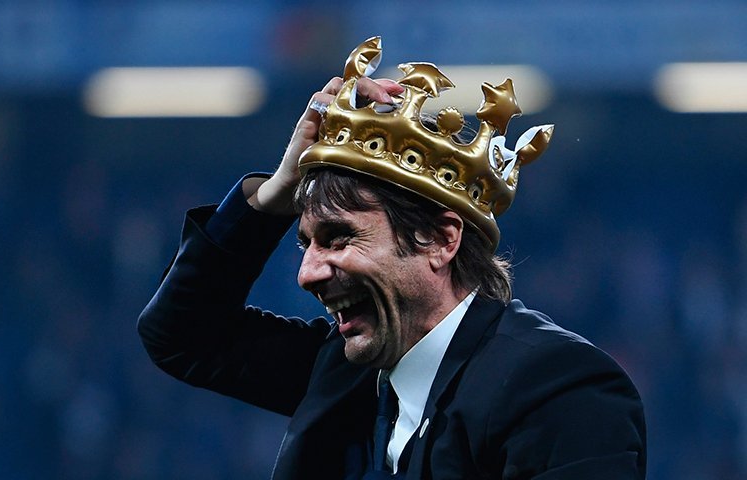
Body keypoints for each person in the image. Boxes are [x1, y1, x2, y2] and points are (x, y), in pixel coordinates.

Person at [138, 37, 646, 479]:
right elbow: (180, 336)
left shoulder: (560, 389)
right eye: (306, 243)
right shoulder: (345, 372)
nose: (307, 273)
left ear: (440, 240)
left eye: (338, 239)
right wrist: (276, 192)